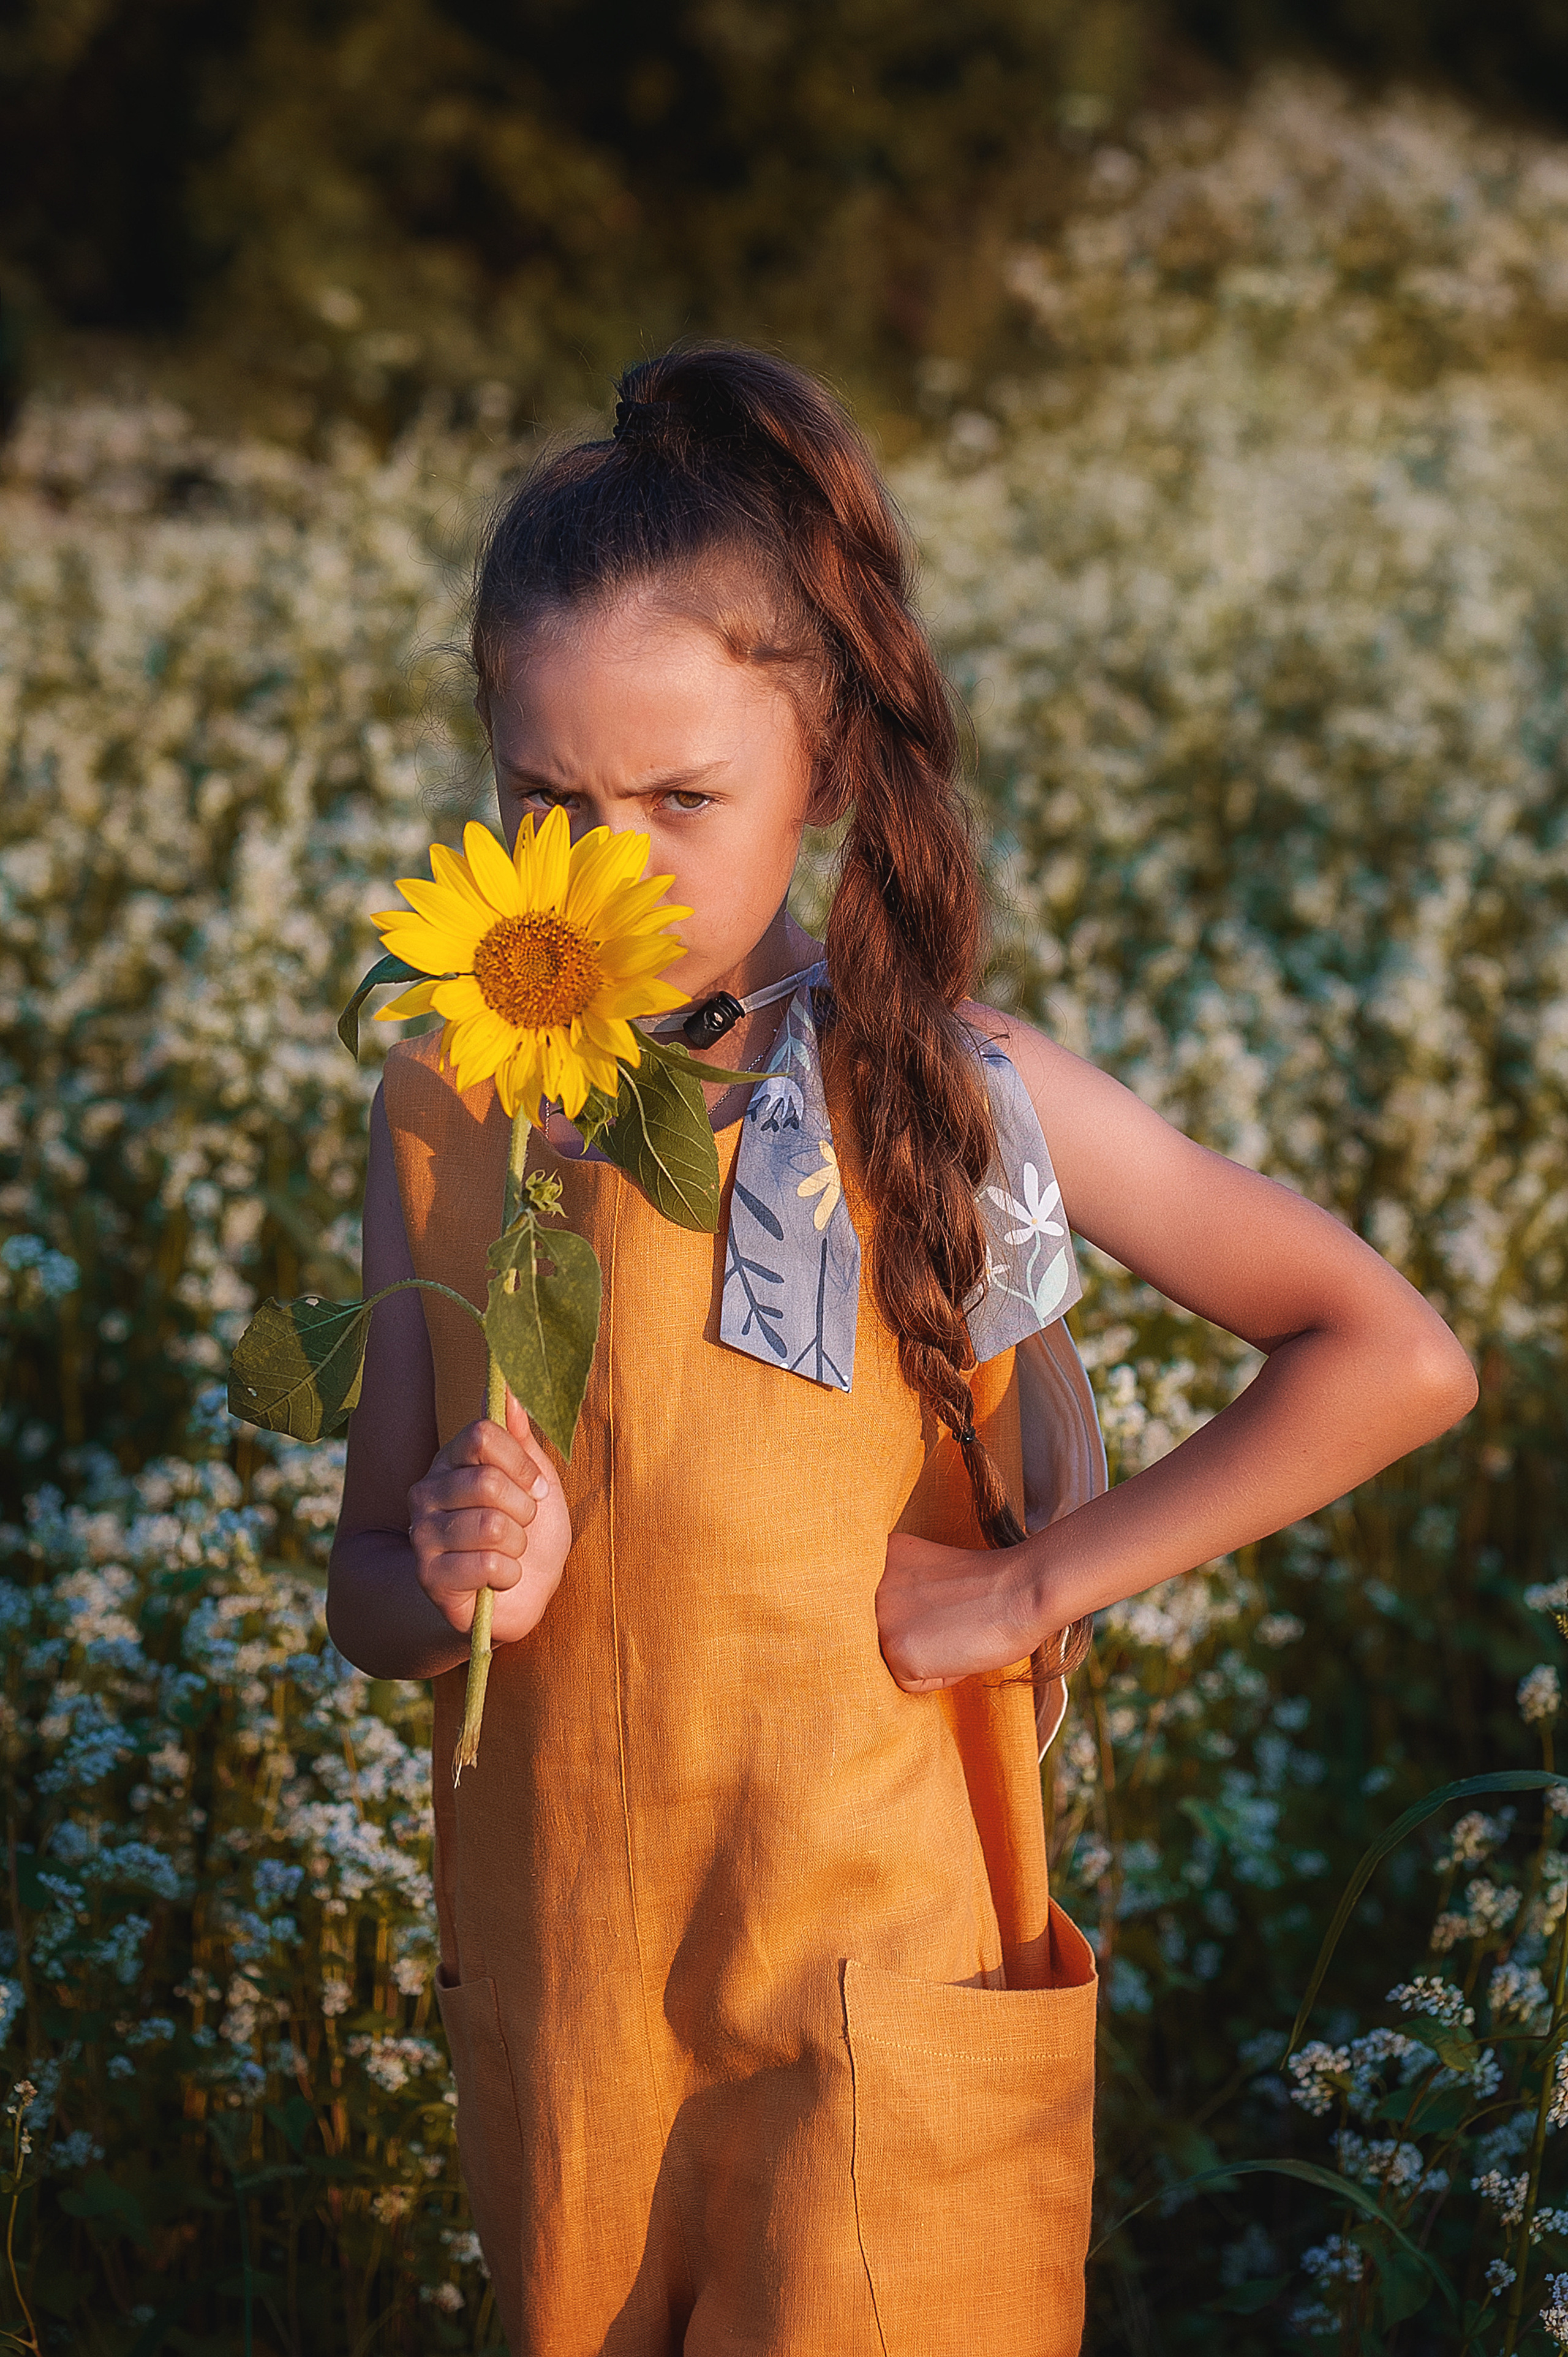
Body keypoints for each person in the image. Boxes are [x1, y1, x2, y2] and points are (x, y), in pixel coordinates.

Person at [326, 344, 1477, 2357]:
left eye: (686, 801)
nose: (610, 867)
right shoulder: (447, 1100)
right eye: (548, 802)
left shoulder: (944, 1089)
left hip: (877, 1982)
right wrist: (441, 1582)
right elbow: (367, 1601)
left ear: (831, 769)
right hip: (578, 2007)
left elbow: (1387, 1351)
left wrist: (1028, 1586)